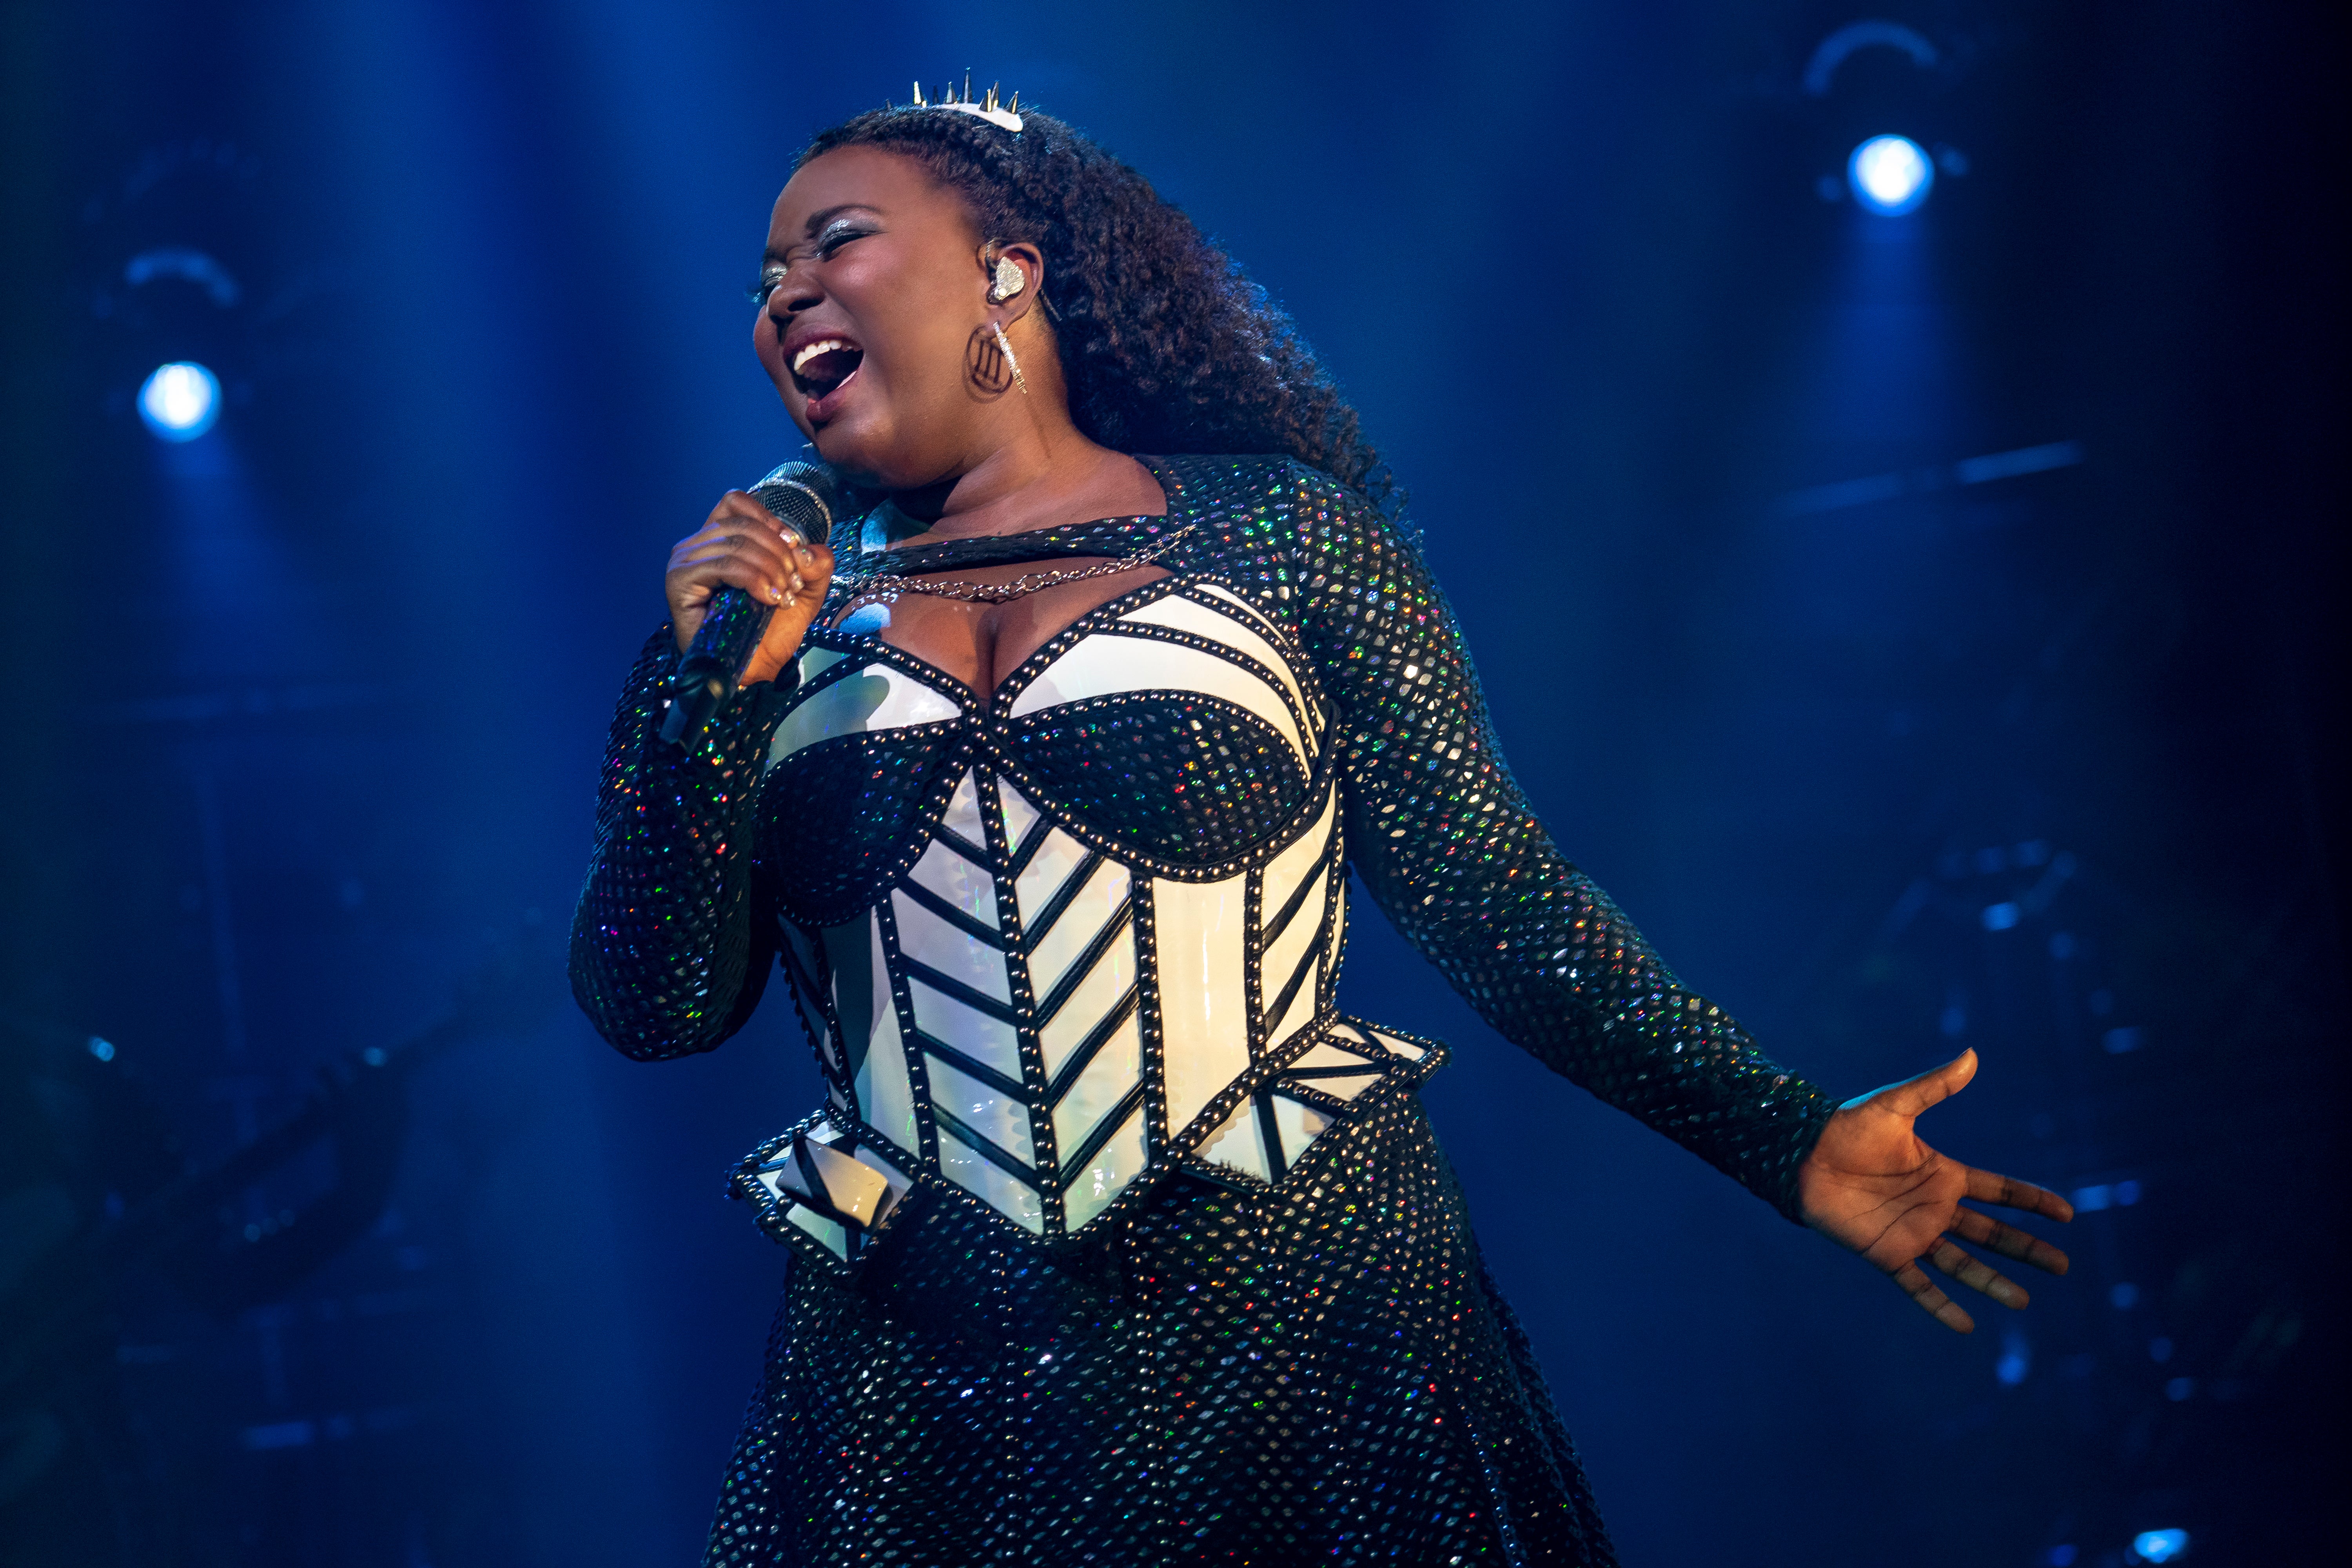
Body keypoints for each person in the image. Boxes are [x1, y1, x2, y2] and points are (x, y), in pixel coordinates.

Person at [568, 83, 2072, 1568]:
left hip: (1307, 1325)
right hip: (918, 1383)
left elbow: (1498, 901)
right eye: (767, 281)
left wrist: (1781, 1135)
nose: (787, 297)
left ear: (1008, 272)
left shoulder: (1279, 535)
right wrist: (717, 707)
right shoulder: (753, 631)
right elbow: (654, 1007)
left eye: (834, 245)